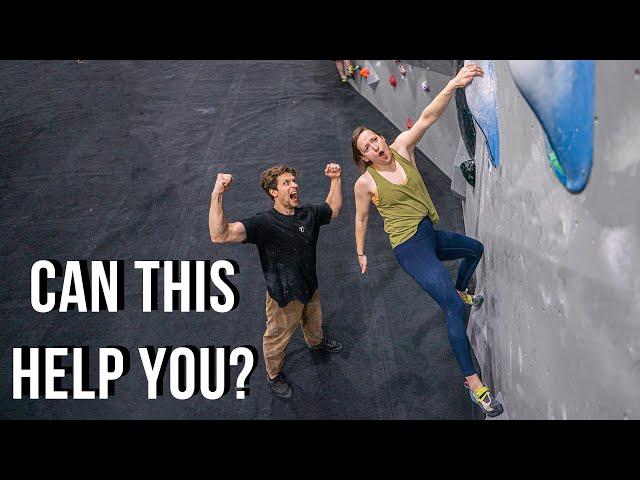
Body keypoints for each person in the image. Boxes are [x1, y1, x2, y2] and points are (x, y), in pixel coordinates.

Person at [351, 63, 503, 417]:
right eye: (368, 147)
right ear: (364, 158)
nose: (376, 146)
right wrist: (360, 251)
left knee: (474, 250)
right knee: (450, 307)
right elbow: (360, 218)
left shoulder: (402, 147)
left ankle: (462, 290)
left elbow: (427, 116)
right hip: (409, 249)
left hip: (428, 233)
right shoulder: (366, 183)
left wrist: (453, 84)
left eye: (375, 138)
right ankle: (474, 385)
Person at [209, 163, 344, 399]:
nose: (295, 185)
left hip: (309, 287)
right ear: (273, 192)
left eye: (294, 181)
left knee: (314, 323)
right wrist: (217, 193)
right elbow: (220, 235)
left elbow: (333, 208)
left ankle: (316, 342)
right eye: (286, 183)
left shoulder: (308, 214)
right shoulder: (264, 223)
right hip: (282, 297)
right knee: (276, 339)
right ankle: (273, 374)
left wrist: (335, 179)